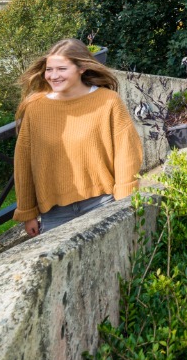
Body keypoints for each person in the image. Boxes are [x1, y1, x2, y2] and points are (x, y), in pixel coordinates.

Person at [13, 39, 143, 236]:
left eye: (61, 69)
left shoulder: (108, 101)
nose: (53, 76)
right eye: (49, 69)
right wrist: (27, 212)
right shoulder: (35, 108)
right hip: (54, 213)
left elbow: (127, 153)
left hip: (102, 203)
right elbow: (23, 162)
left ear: (81, 67)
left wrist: (125, 200)